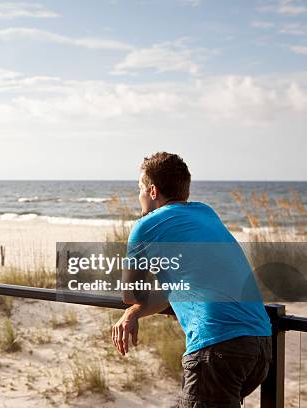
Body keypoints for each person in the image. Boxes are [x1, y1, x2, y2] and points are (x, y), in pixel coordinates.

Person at [111, 152, 272, 407]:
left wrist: (132, 308)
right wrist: (134, 314)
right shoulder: (205, 212)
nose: (139, 194)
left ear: (152, 191)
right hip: (260, 345)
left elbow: (131, 294)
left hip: (218, 348)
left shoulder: (146, 226)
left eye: (140, 188)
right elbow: (183, 287)